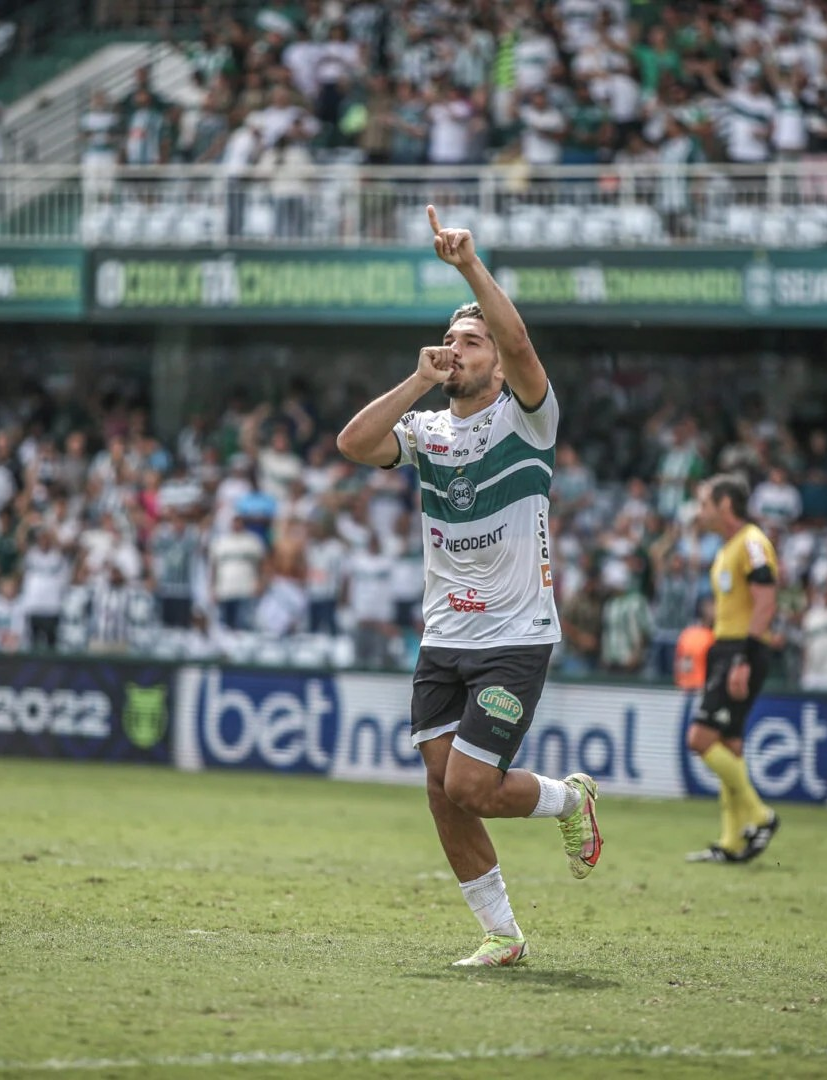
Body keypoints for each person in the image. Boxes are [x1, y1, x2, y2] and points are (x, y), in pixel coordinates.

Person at [333, 205, 601, 969]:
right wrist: (417, 379)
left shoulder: (529, 420)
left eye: (470, 340)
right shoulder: (427, 432)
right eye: (451, 339)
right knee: (441, 789)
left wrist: (469, 271)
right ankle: (503, 935)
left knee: (473, 784)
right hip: (443, 635)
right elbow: (353, 444)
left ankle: (567, 798)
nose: (459, 349)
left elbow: (518, 341)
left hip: (515, 634)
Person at [683, 473, 781, 865]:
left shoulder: (753, 543)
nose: (700, 512)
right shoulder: (727, 548)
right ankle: (732, 842)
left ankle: (761, 815)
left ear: (725, 506)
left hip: (741, 651)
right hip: (728, 648)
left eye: (706, 503)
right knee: (729, 746)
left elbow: (767, 601)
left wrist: (742, 657)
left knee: (700, 739)